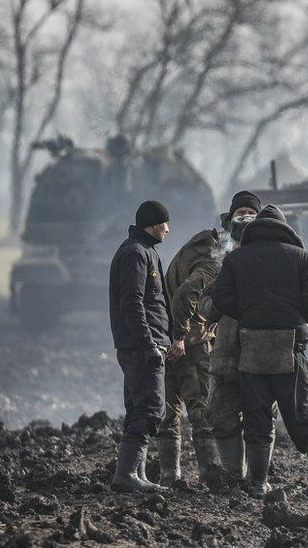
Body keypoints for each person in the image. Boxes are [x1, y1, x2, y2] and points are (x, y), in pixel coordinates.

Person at [210, 204, 308, 499]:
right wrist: (296, 316)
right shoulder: (300, 256)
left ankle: (258, 484)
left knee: (256, 416)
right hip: (289, 345)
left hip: (251, 345)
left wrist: (248, 314)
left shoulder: (236, 258)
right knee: (304, 412)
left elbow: (221, 297)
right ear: (284, 227)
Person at [200, 190, 269, 481]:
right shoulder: (221, 259)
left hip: (264, 352)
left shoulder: (274, 253)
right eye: (239, 214)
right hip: (227, 349)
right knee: (221, 413)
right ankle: (232, 476)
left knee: (261, 418)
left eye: (250, 213)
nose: (245, 218)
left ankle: (258, 479)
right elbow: (207, 305)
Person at [108, 200, 173, 493]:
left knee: (138, 407)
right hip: (141, 347)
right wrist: (149, 345)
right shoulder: (135, 254)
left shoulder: (145, 251)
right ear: (153, 224)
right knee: (149, 409)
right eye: (164, 224)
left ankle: (138, 474)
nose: (168, 230)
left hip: (144, 345)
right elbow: (132, 304)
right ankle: (127, 475)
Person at [157, 224, 221, 486]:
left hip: (171, 337)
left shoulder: (190, 251)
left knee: (171, 410)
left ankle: (169, 474)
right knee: (201, 407)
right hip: (191, 343)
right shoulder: (210, 263)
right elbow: (186, 294)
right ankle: (209, 473)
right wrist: (182, 336)